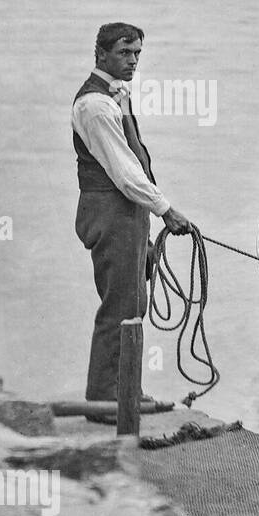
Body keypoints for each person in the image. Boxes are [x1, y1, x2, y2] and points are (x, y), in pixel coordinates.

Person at [72, 22, 193, 411]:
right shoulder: (95, 105)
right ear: (101, 54)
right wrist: (166, 210)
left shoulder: (115, 97)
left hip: (128, 213)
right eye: (124, 53)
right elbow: (125, 172)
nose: (133, 61)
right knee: (121, 305)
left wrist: (149, 216)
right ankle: (107, 397)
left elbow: (131, 168)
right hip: (111, 214)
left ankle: (126, 392)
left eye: (138, 53)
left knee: (134, 303)